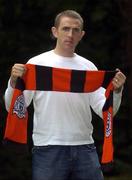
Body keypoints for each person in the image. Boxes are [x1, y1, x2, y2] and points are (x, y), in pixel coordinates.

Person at [4, 10, 126, 180]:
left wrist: (117, 91)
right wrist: (13, 82)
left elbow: (106, 111)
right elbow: (15, 106)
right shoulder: (36, 64)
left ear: (82, 35)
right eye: (65, 28)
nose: (70, 34)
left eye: (76, 30)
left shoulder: (88, 67)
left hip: (85, 148)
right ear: (55, 31)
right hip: (48, 148)